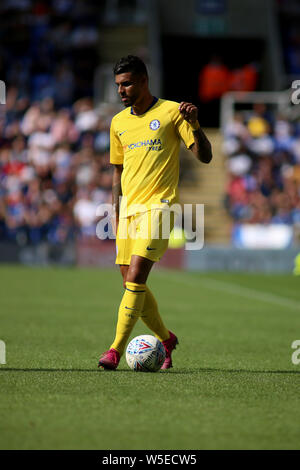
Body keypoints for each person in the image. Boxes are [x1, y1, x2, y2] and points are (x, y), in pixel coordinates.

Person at [98, 55, 212, 371]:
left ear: (144, 81)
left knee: (136, 278)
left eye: (128, 83)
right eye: (119, 85)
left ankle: (114, 351)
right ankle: (166, 338)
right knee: (131, 285)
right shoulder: (118, 122)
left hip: (159, 207)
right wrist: (115, 213)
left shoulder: (172, 112)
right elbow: (117, 173)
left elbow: (205, 157)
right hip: (127, 214)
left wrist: (195, 125)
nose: (122, 90)